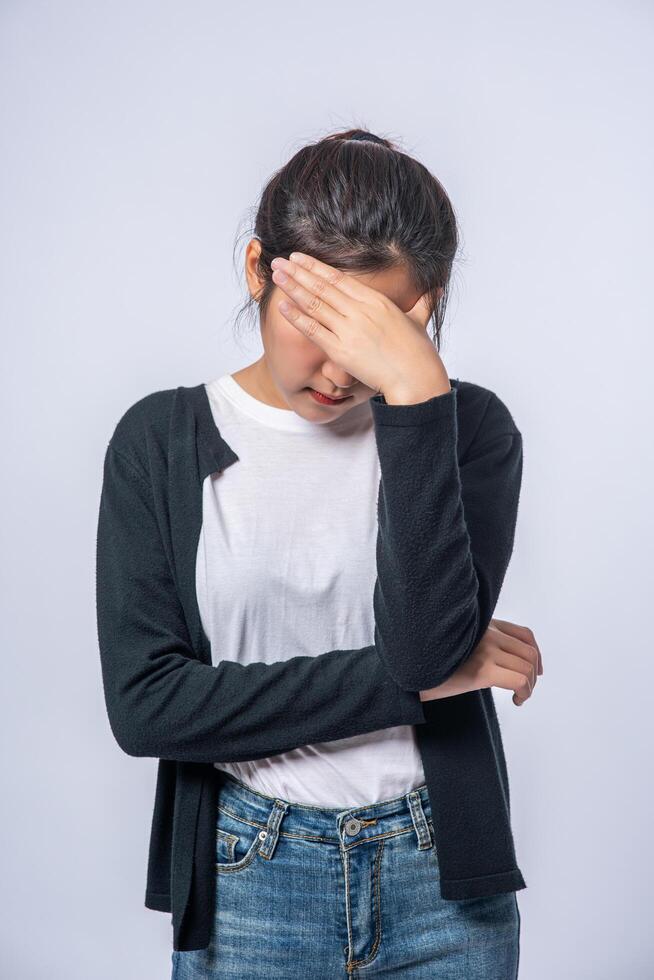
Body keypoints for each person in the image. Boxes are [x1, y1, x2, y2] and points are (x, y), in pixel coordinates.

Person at [95, 127, 542, 979]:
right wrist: (423, 679)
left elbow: (418, 642)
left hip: (440, 879)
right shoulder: (160, 442)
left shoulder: (467, 428)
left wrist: (414, 391)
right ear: (260, 269)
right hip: (248, 874)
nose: (340, 368)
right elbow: (148, 708)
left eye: (372, 332)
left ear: (421, 313)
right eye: (321, 319)